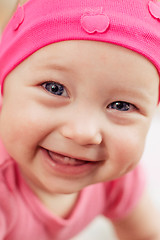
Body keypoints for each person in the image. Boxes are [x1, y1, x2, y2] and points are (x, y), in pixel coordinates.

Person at [0, 0, 160, 239]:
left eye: (121, 105)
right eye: (55, 88)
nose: (83, 132)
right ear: (5, 88)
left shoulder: (116, 176)